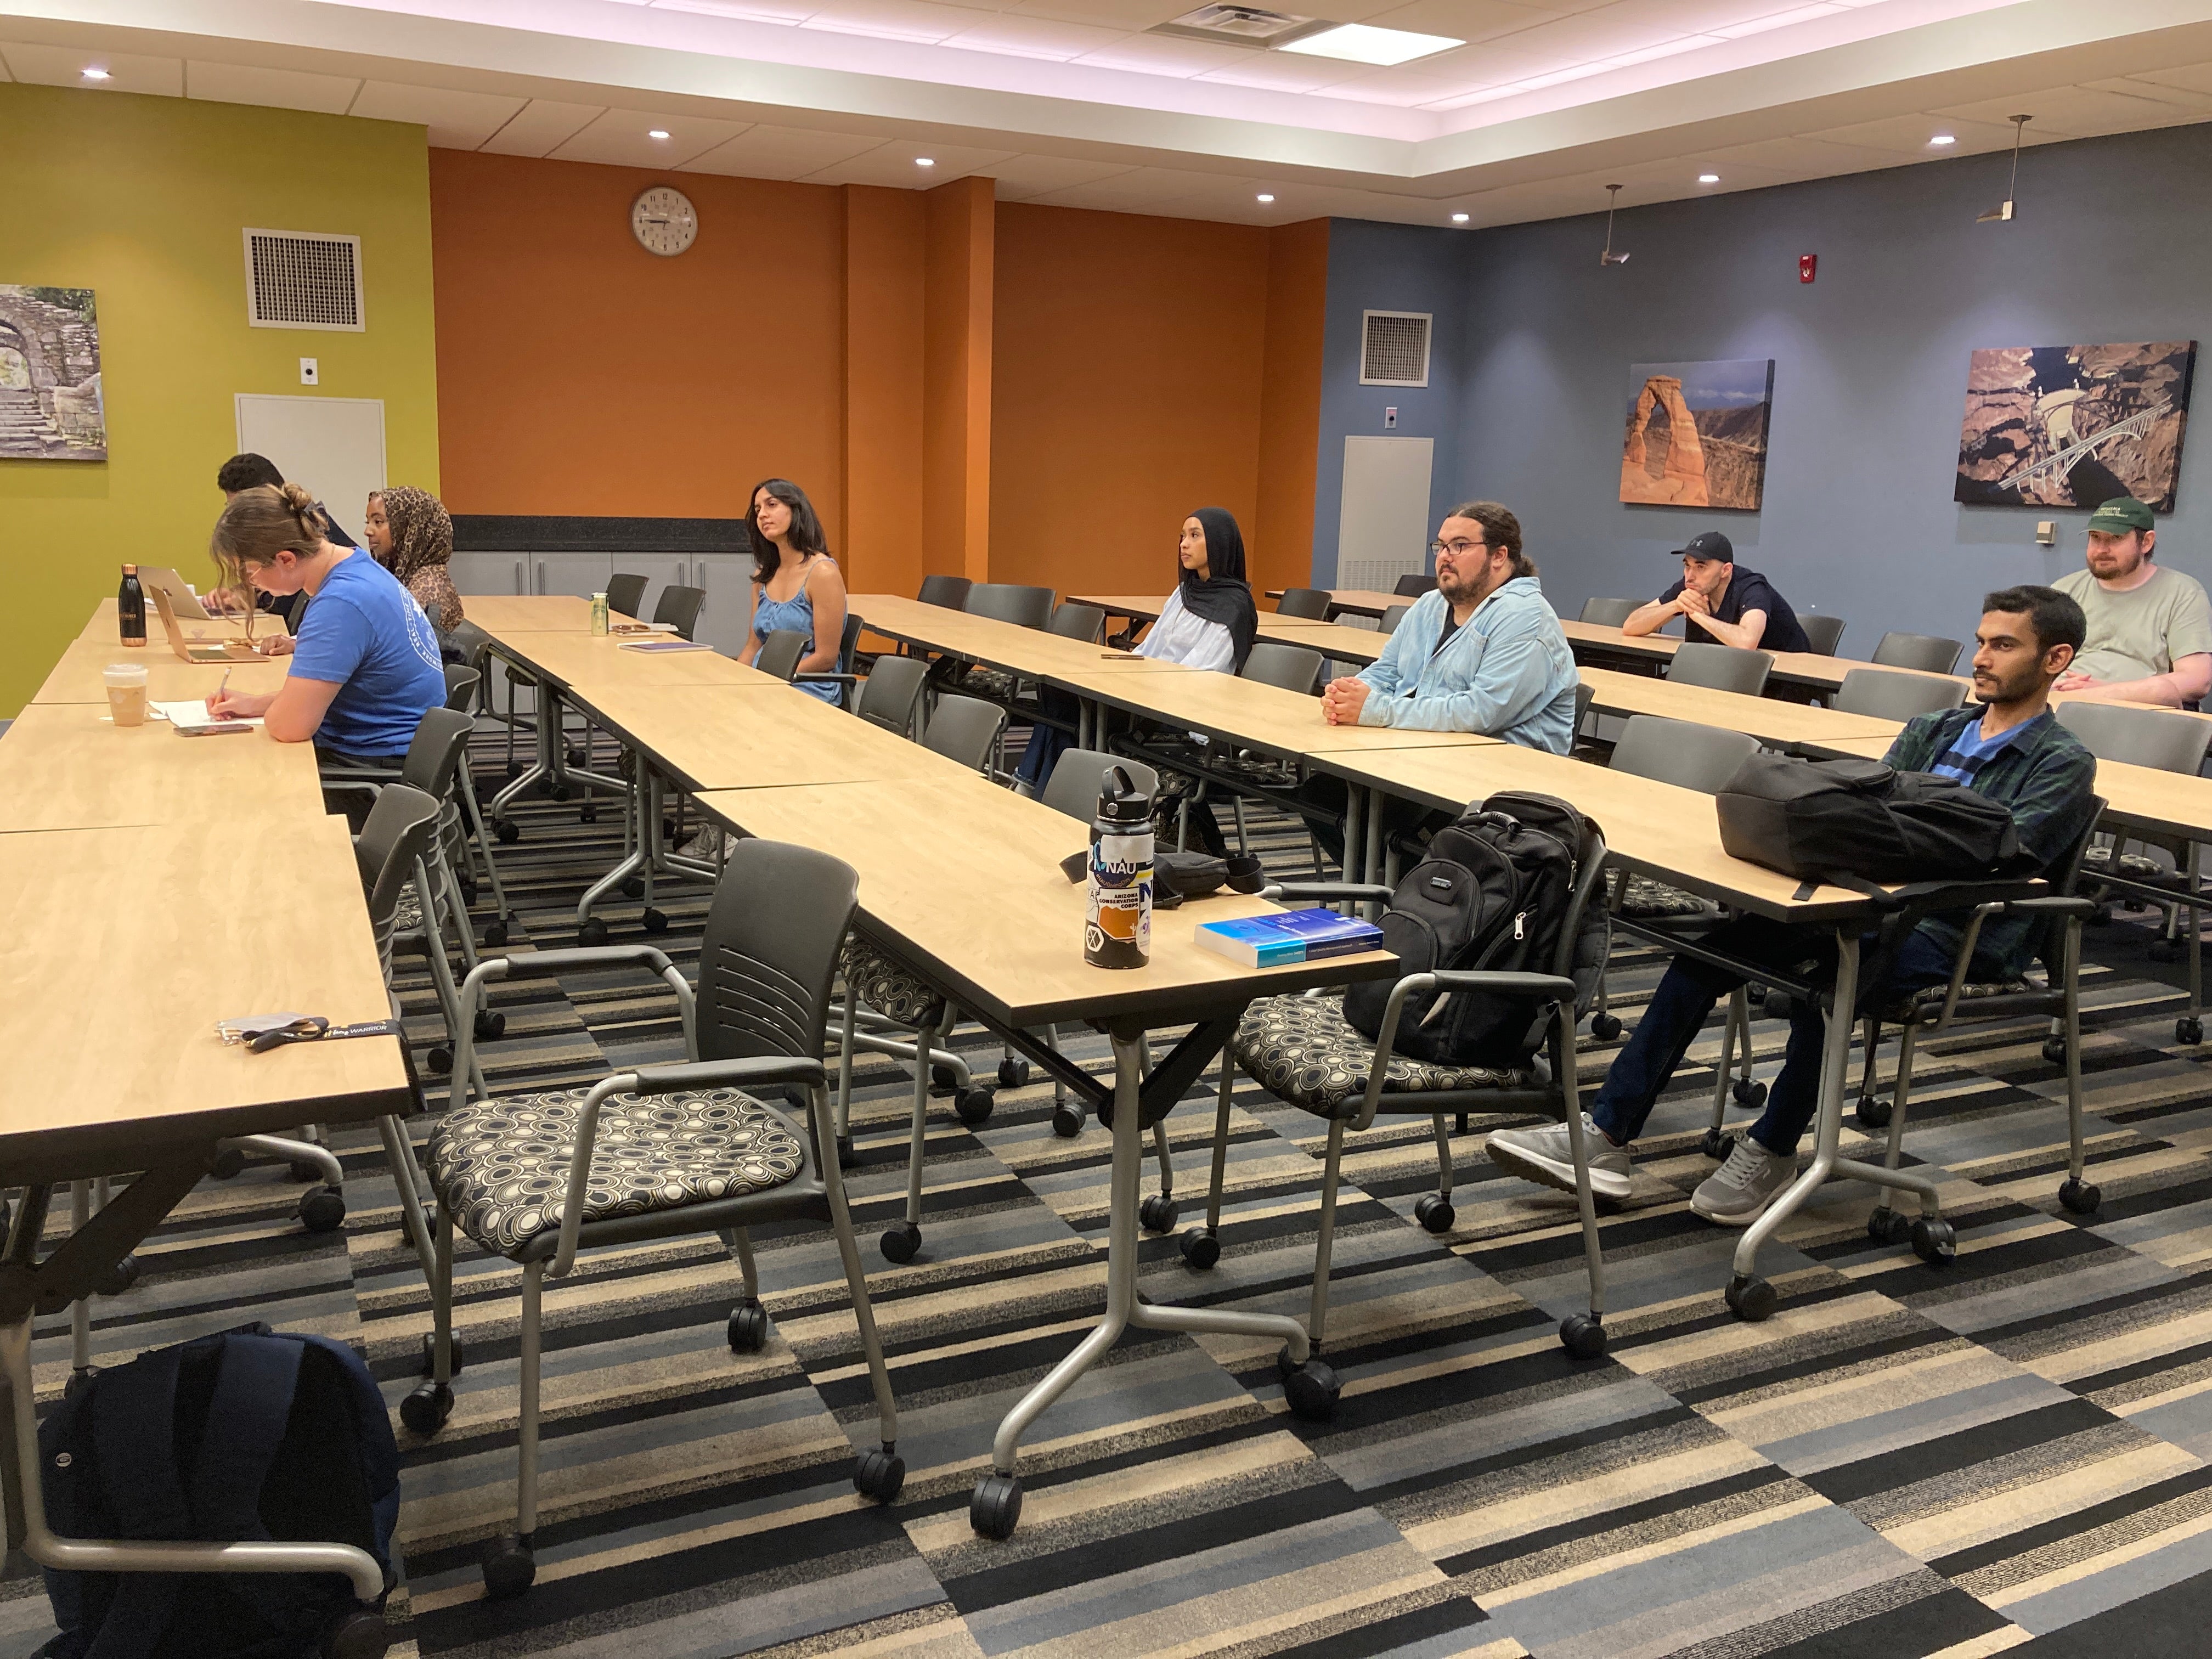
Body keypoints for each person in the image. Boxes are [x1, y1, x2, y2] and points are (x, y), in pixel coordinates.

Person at [1485, 585, 2098, 1226]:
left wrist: (1901, 838)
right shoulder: (1934, 729)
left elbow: (2004, 857)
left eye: (2004, 646)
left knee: (1834, 978)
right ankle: (1606, 1136)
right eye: (1980, 642)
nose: (1982, 657)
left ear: (2055, 659)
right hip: (1864, 901)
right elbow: (1866, 813)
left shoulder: (2062, 762)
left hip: (1959, 929)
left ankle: (1773, 1148)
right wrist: (1908, 838)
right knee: (1713, 950)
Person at [1300, 501, 1579, 862]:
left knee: (1381, 816)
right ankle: (1407, 901)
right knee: (1321, 796)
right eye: (1441, 546)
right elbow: (1389, 670)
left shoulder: (1525, 618)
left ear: (1499, 556)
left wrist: (1375, 710)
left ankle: (1424, 905)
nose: (1445, 557)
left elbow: (1481, 713)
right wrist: (1349, 694)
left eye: (1459, 546)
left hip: (1504, 779)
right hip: (1434, 754)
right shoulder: (1431, 605)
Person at [206, 484, 445, 775]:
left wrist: (278, 710)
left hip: (373, 768)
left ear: (286, 559)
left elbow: (289, 726)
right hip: (392, 751)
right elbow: (327, 692)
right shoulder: (355, 564)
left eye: (249, 571)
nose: (249, 582)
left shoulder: (340, 603)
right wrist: (256, 704)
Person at [2049, 496, 2212, 707]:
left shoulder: (2183, 593)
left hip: (2138, 709)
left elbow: (2197, 680)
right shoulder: (2064, 590)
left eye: (2115, 538)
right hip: (2058, 705)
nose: (2101, 549)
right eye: (2095, 537)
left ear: (2146, 542)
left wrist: (2101, 694)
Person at [736, 479, 847, 703]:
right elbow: (752, 646)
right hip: (765, 682)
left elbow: (826, 658)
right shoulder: (763, 576)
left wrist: (771, 675)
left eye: (772, 505)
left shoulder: (822, 573)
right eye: (758, 510)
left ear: (795, 510)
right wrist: (734, 680)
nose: (762, 515)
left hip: (806, 685)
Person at [1622, 530, 1811, 653]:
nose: (1690, 575)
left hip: (1784, 677)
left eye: (1701, 567)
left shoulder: (1752, 587)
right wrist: (1676, 605)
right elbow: (1631, 626)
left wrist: (1698, 616)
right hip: (1731, 672)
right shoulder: (1692, 584)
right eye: (1687, 565)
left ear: (1726, 570)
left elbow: (1747, 642)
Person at [367, 487, 465, 635]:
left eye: (378, 522)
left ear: (412, 528)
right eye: (367, 522)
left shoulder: (427, 590)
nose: (368, 531)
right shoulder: (404, 575)